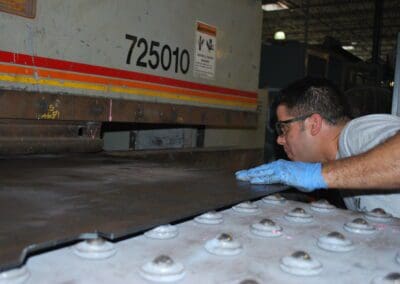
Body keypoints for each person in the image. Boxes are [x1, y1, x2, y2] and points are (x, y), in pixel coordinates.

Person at [236, 77, 400, 217]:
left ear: (313, 124)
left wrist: (316, 174)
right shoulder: (344, 160)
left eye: (284, 128)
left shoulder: (355, 133)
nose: (279, 140)